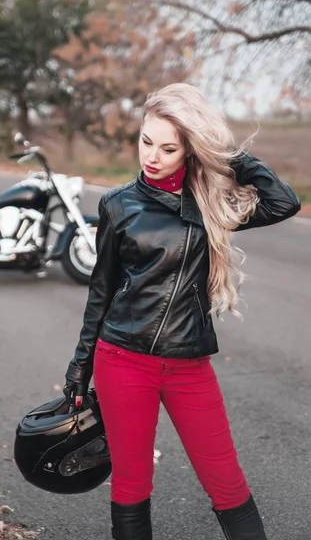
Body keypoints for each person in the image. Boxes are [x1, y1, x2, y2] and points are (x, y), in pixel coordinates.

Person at [63, 83, 301, 540]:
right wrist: (80, 366)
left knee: (228, 485)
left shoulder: (211, 204)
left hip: (189, 365)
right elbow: (103, 288)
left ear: (189, 150)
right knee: (132, 486)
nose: (151, 156)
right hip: (123, 360)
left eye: (169, 147)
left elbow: (282, 202)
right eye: (146, 141)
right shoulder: (117, 204)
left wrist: (227, 159)